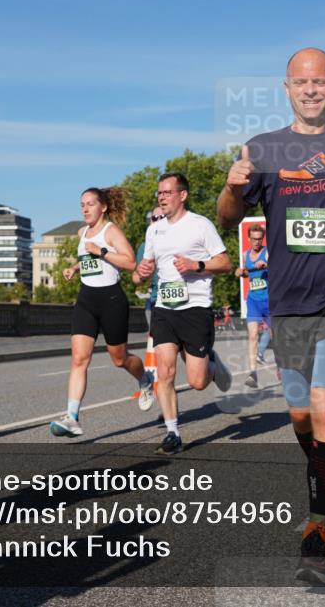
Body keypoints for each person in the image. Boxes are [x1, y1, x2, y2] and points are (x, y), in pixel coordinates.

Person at [217, 47, 325, 585]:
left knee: (324, 410)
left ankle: (316, 536)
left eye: (321, 81)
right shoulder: (264, 148)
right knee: (301, 418)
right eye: (302, 82)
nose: (311, 89)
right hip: (289, 299)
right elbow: (231, 217)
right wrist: (230, 187)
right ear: (287, 88)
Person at [136, 173, 233, 455]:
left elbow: (225, 262)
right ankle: (172, 432)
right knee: (164, 372)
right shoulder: (154, 230)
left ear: (182, 195)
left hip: (196, 308)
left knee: (197, 382)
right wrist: (140, 273)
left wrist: (196, 265)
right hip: (165, 308)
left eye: (167, 192)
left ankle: (212, 366)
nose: (162, 197)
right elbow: (143, 269)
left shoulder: (200, 225)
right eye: (159, 193)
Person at [50, 187, 153, 437]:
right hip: (86, 299)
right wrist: (75, 267)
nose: (85, 209)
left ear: (103, 207)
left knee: (119, 359)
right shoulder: (82, 232)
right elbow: (89, 258)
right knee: (78, 359)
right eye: (82, 204)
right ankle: (72, 417)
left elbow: (131, 263)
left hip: (111, 299)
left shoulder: (111, 232)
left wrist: (103, 251)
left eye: (90, 204)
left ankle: (145, 378)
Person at [235, 222, 270, 388]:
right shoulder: (245, 255)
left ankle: (285, 369)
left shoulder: (267, 253)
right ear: (249, 239)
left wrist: (267, 265)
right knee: (253, 336)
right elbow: (248, 272)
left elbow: (279, 268)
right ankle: (253, 374)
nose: (257, 242)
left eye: (260, 239)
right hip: (254, 300)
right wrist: (241, 273)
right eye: (254, 239)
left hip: (270, 300)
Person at [132, 206, 163, 326]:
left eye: (163, 217)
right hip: (157, 302)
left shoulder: (183, 240)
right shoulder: (144, 247)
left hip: (186, 303)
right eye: (155, 218)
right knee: (161, 344)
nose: (159, 220)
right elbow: (135, 277)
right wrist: (143, 275)